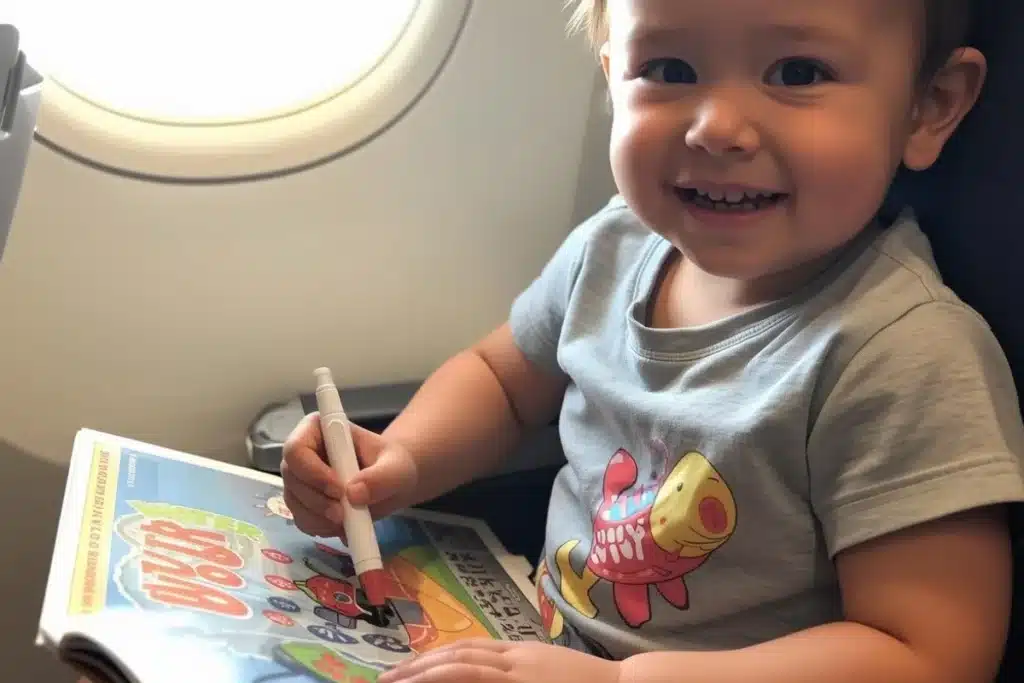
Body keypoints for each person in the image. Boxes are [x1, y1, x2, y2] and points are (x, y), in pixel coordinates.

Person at [282, 0, 1024, 682]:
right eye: (669, 70)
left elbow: (930, 653)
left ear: (931, 107)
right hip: (537, 637)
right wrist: (400, 461)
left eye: (798, 73)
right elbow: (503, 379)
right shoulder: (615, 247)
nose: (716, 126)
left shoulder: (900, 355)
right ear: (613, 76)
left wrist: (620, 680)